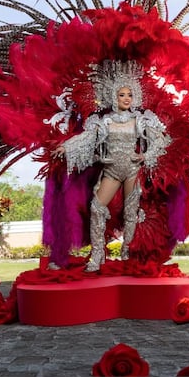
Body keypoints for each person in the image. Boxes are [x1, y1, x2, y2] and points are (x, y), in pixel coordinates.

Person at [51, 59, 170, 272]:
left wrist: (145, 156)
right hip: (111, 171)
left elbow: (161, 141)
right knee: (96, 208)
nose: (126, 98)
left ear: (135, 96)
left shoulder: (141, 120)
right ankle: (98, 255)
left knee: (130, 213)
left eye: (129, 95)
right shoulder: (103, 121)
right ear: (114, 97)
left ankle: (128, 251)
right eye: (122, 95)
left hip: (132, 170)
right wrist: (66, 148)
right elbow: (86, 139)